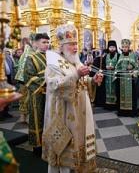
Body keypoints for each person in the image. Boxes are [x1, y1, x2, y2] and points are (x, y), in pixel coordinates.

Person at [42, 24, 102, 173]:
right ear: (61, 46)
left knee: (79, 147)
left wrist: (92, 80)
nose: (75, 48)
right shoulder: (53, 64)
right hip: (63, 116)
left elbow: (81, 84)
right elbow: (55, 86)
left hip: (79, 113)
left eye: (76, 44)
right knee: (64, 154)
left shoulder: (75, 61)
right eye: (71, 44)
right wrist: (76, 75)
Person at [23, 33, 50, 157]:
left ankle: (49, 144)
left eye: (47, 42)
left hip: (50, 94)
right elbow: (29, 77)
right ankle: (37, 146)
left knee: (48, 118)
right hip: (37, 95)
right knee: (37, 118)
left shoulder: (50, 57)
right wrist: (46, 80)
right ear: (37, 43)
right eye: (44, 42)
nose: (47, 44)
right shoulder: (31, 58)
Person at [90, 40, 120, 109]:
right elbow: (102, 66)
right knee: (107, 90)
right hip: (107, 76)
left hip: (114, 76)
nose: (112, 49)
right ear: (108, 48)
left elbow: (120, 65)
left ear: (115, 48)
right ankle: (108, 104)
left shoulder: (118, 56)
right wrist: (106, 67)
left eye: (113, 47)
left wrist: (114, 67)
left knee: (115, 90)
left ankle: (115, 105)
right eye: (110, 47)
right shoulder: (106, 56)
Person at [15, 36, 37, 123]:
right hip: (25, 80)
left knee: (25, 98)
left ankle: (24, 116)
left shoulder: (26, 54)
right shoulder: (28, 53)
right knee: (26, 98)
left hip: (24, 80)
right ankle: (25, 117)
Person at [115, 39, 138, 116]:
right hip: (121, 79)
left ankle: (131, 112)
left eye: (126, 47)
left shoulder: (132, 55)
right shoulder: (120, 55)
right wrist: (118, 71)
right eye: (123, 47)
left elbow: (137, 66)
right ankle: (122, 111)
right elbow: (117, 66)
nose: (124, 48)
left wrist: (132, 67)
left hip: (130, 79)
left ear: (128, 47)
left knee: (131, 95)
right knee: (121, 95)